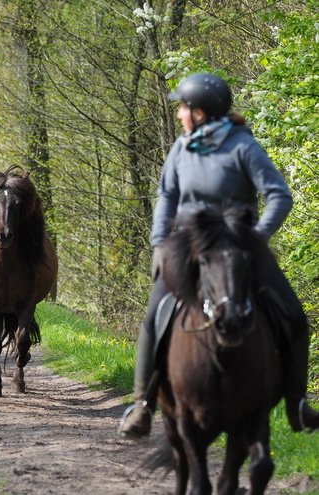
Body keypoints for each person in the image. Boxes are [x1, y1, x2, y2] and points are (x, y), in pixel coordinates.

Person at [118, 72, 319, 439]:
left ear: (200, 111)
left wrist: (253, 239)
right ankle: (142, 405)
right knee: (154, 317)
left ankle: (297, 403)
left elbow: (279, 196)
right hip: (189, 247)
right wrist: (160, 244)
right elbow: (166, 197)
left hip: (238, 247)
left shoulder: (243, 146)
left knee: (292, 313)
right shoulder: (182, 147)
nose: (179, 113)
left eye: (183, 107)